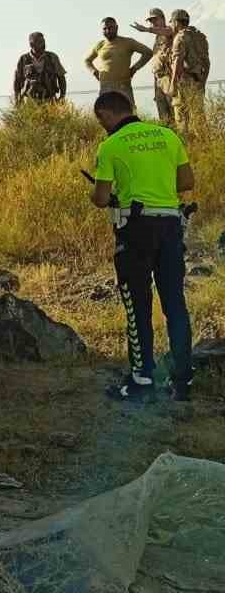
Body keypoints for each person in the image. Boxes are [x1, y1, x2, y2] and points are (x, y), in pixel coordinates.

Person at [89, 90, 195, 402]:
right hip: (171, 226)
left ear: (107, 115)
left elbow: (100, 198)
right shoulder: (167, 136)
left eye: (101, 121)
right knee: (175, 303)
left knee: (137, 305)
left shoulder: (111, 146)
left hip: (135, 230)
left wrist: (106, 196)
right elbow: (186, 182)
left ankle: (142, 378)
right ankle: (182, 379)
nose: (102, 126)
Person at [84, 17, 152, 104]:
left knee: (128, 114)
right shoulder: (100, 45)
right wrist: (94, 72)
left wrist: (135, 68)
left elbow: (148, 53)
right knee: (106, 114)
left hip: (123, 86)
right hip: (105, 86)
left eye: (110, 28)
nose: (108, 31)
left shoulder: (128, 42)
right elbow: (87, 61)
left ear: (116, 27)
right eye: (105, 29)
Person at [169, 9, 211, 135]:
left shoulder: (180, 37)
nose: (171, 25)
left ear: (176, 22)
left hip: (185, 81)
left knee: (181, 117)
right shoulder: (200, 37)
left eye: (172, 22)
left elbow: (178, 62)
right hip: (199, 80)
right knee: (198, 116)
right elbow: (207, 62)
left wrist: (173, 84)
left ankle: (187, 148)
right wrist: (203, 81)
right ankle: (205, 147)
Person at [131, 9, 175, 124]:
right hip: (158, 79)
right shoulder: (158, 37)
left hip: (168, 78)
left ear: (162, 19)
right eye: (151, 21)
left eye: (155, 19)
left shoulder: (170, 30)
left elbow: (168, 32)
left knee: (173, 111)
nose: (153, 23)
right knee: (163, 114)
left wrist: (146, 29)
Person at [13, 32, 67, 104]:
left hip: (50, 100)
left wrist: (62, 96)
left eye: (43, 41)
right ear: (31, 44)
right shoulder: (23, 59)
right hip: (29, 101)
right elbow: (17, 80)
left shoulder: (52, 57)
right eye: (40, 42)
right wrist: (17, 99)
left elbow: (61, 77)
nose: (43, 44)